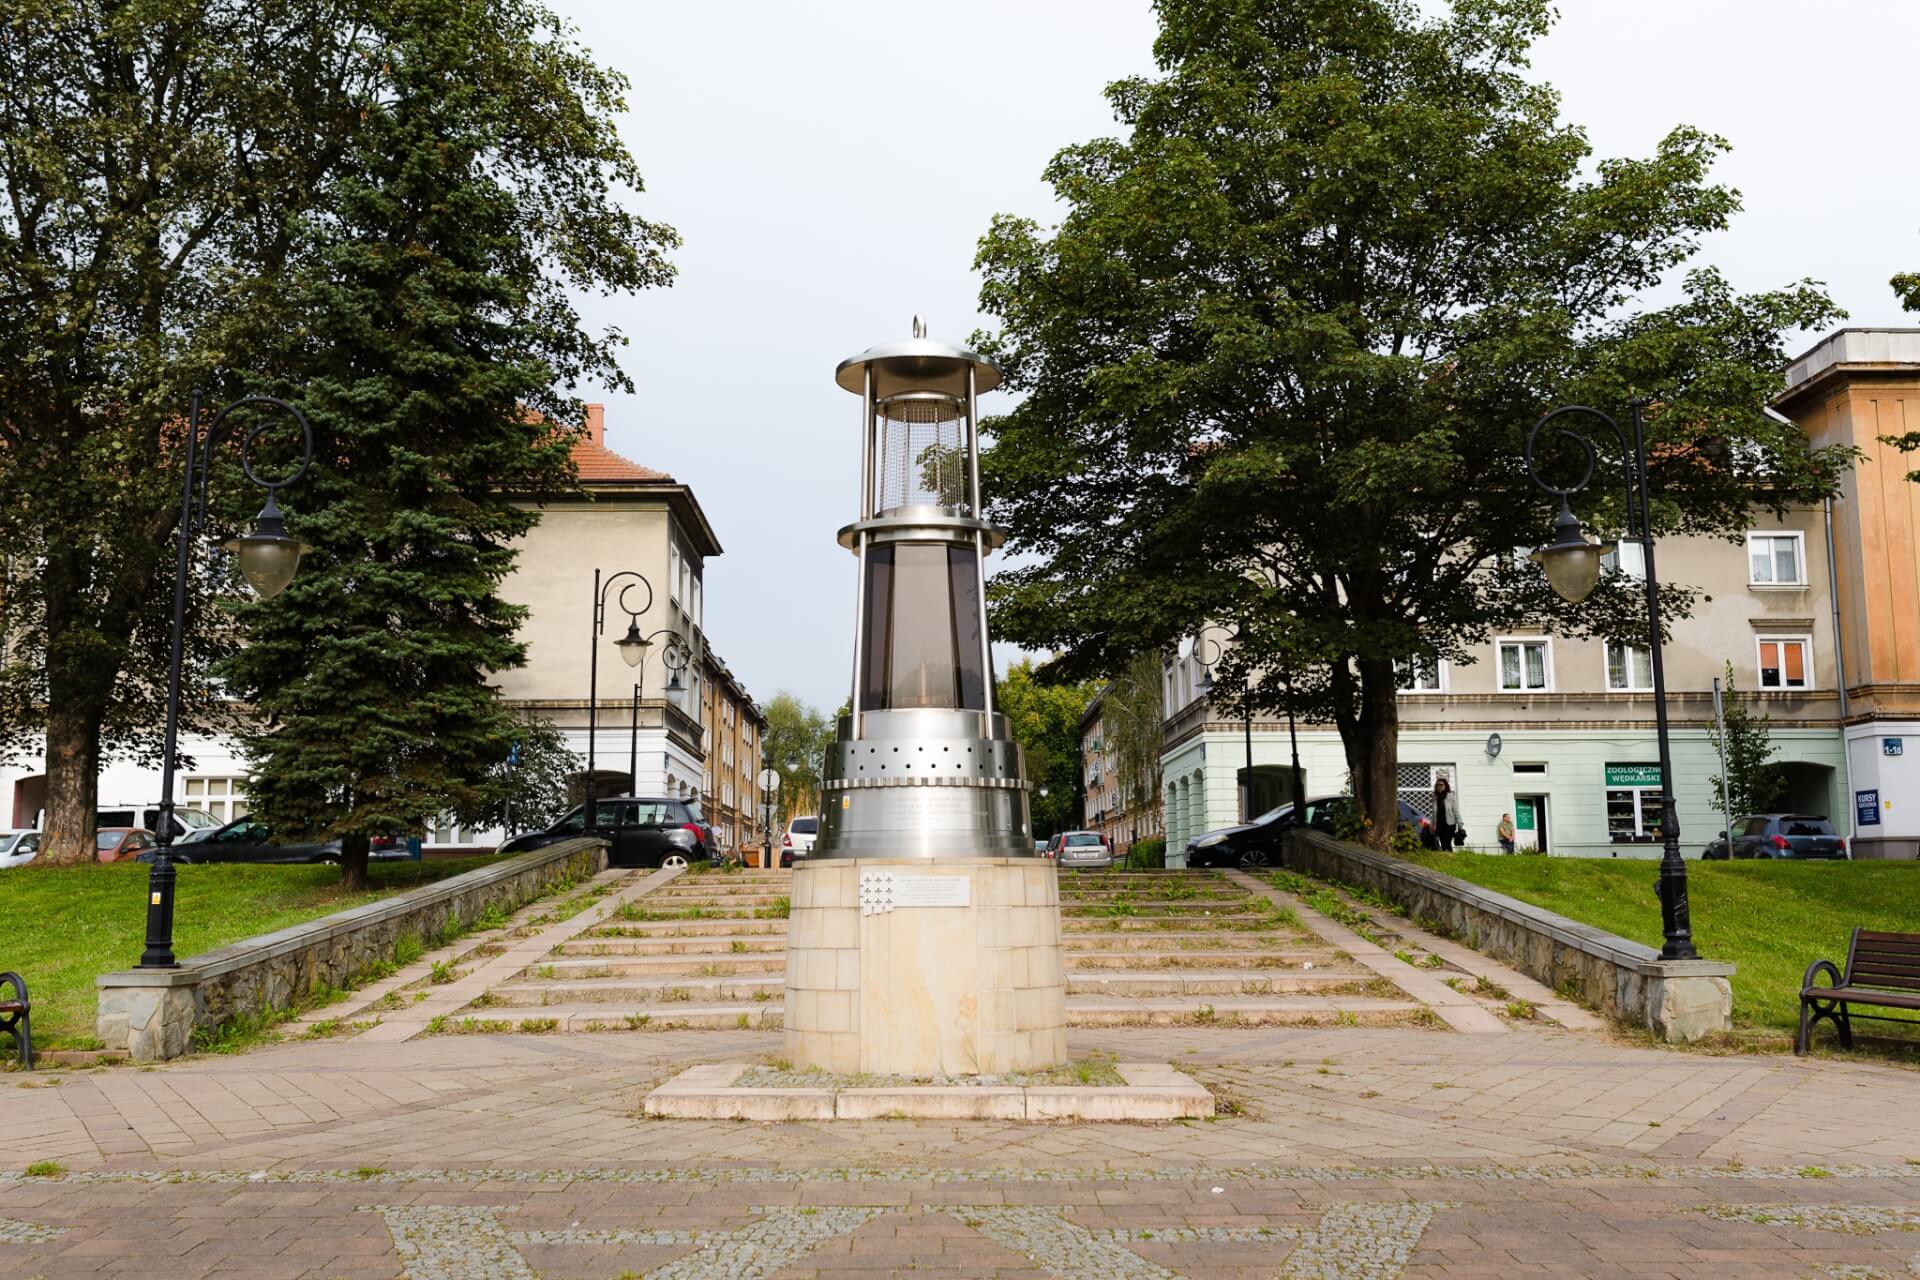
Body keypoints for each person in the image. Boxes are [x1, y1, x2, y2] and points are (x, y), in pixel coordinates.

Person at [1432, 776, 1460, 852]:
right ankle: (1448, 858)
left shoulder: (1451, 796)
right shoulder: (1435, 798)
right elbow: (1433, 813)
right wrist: (1432, 825)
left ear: (1445, 786)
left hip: (1449, 824)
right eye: (1437, 785)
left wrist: (1460, 824)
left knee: (1447, 842)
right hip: (1439, 825)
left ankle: (1449, 857)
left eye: (1441, 785)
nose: (1439, 787)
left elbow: (1455, 811)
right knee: (1443, 843)